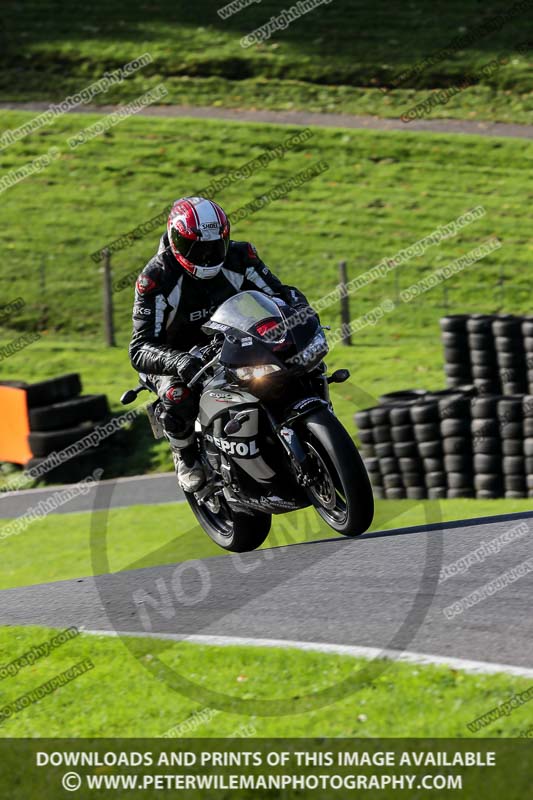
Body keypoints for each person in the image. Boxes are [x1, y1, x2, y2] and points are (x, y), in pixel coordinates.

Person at [129, 196, 309, 492]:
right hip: (173, 355)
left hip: (233, 338)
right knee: (177, 394)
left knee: (293, 356)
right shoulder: (156, 278)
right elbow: (140, 347)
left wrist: (296, 303)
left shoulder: (241, 256)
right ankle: (185, 454)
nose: (208, 255)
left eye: (216, 246)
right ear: (177, 242)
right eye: (197, 248)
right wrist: (178, 361)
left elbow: (278, 295)